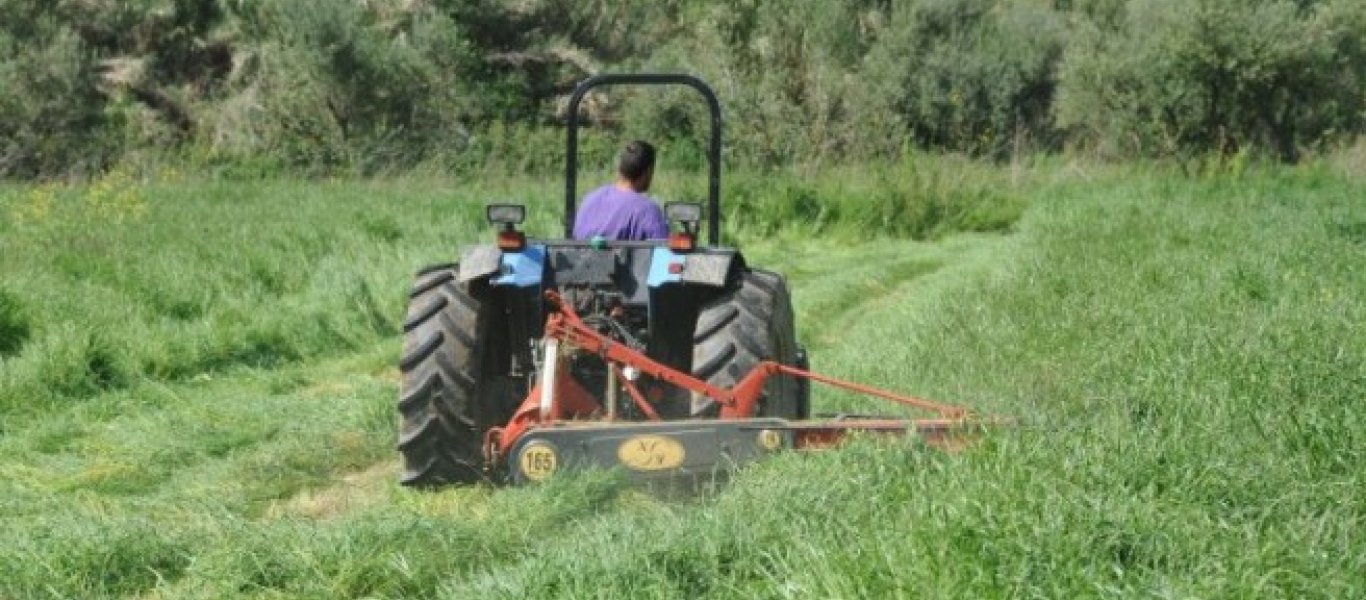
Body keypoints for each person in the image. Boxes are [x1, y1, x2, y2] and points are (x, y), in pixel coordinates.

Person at [572, 140, 669, 241]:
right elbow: (662, 251)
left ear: (620, 168)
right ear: (648, 171)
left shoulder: (590, 199)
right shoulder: (648, 211)